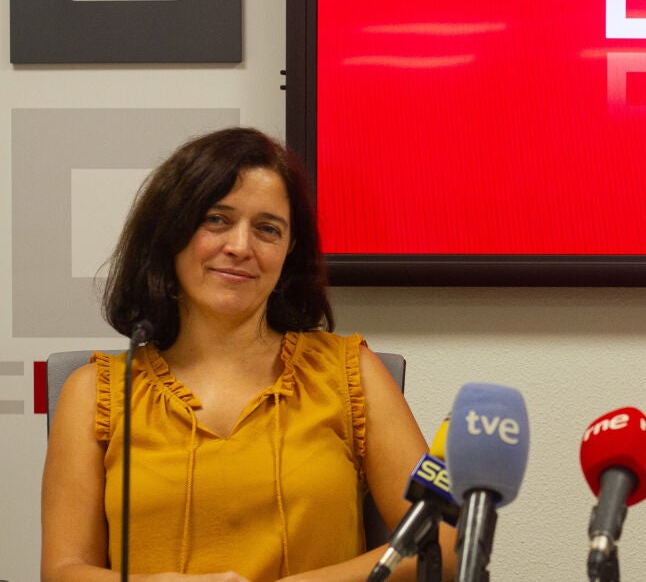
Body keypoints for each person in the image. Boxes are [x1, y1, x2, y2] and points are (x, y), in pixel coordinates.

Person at [42, 128, 455, 581]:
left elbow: (444, 545)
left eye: (267, 229)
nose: (240, 247)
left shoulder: (350, 371)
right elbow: (62, 571)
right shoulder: (94, 392)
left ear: (289, 250)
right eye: (216, 220)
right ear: (170, 232)